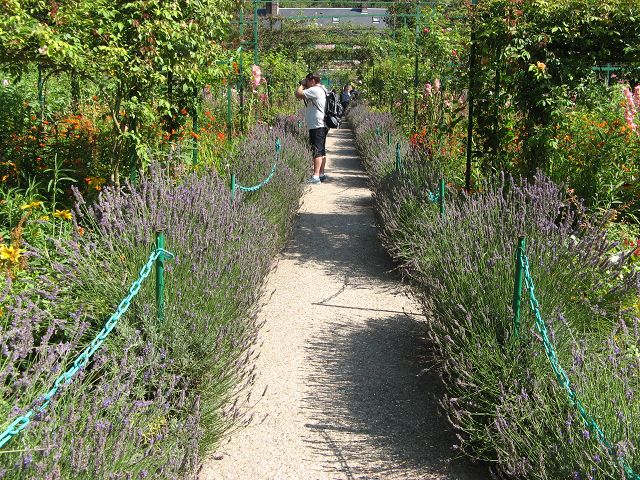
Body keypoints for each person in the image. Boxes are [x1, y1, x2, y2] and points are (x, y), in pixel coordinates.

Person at [295, 72, 329, 184]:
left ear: (312, 81)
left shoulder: (315, 90)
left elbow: (298, 94)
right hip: (321, 124)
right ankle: (321, 173)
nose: (307, 83)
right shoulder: (322, 89)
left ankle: (315, 176)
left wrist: (301, 84)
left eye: (307, 81)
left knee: (317, 151)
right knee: (321, 150)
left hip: (317, 125)